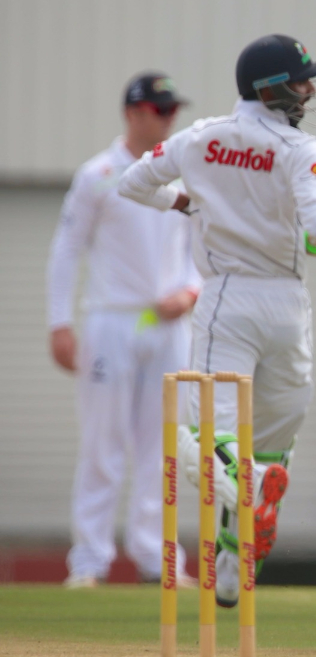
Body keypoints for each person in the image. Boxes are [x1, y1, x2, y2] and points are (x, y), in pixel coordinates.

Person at [117, 34, 316, 608]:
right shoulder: (297, 147)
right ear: (271, 88)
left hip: (227, 301)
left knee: (210, 438)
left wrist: (186, 202)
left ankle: (250, 487)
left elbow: (132, 183)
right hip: (287, 306)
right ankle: (234, 563)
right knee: (272, 442)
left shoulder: (198, 138)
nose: (309, 90)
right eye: (301, 81)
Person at [47, 72, 199, 589]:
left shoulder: (181, 174)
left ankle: (158, 557)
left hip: (169, 325)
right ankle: (89, 561)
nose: (170, 118)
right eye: (161, 109)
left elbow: (202, 247)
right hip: (111, 320)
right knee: (103, 443)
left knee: (164, 446)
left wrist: (190, 293)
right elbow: (67, 249)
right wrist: (59, 324)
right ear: (133, 113)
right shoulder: (98, 174)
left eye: (173, 109)